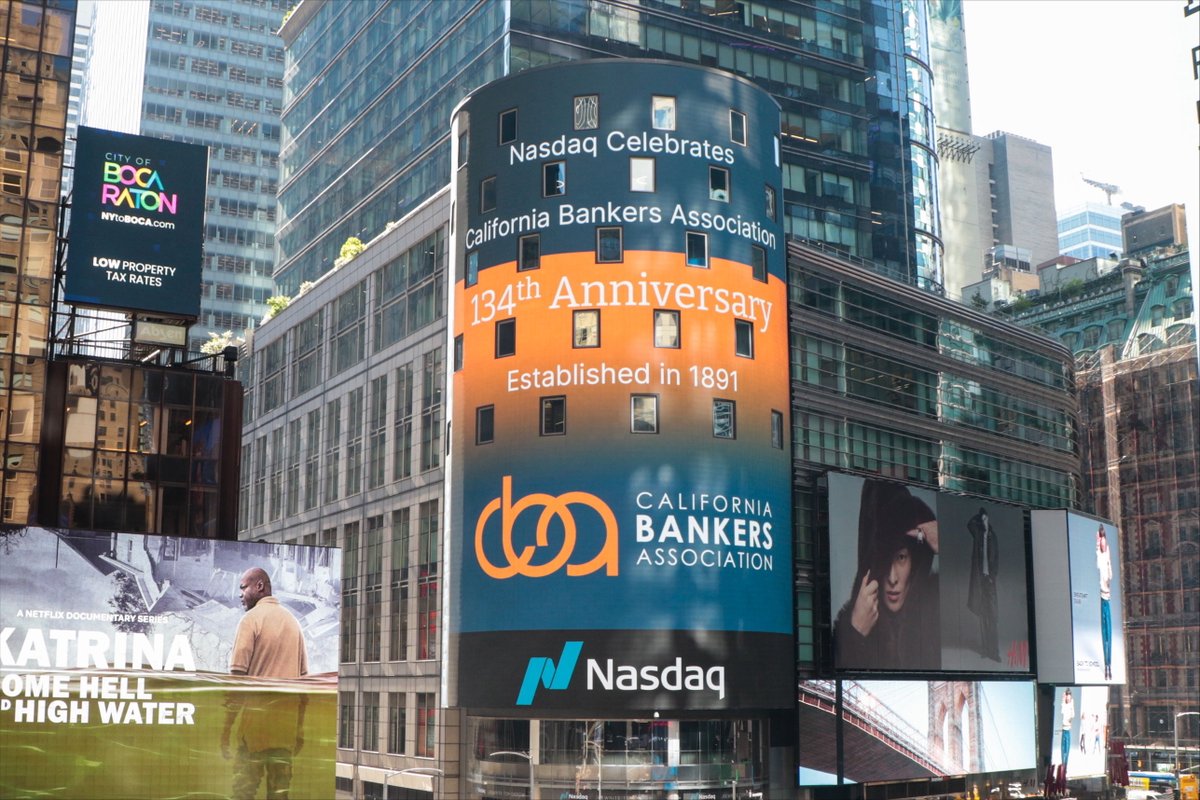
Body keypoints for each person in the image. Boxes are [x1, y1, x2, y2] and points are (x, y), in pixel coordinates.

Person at [221, 567, 310, 800]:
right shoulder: (294, 624)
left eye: (243, 587)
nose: (240, 594)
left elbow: (237, 679)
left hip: (254, 732)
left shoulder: (250, 620)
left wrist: (226, 729)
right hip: (284, 733)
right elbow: (304, 689)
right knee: (279, 796)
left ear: (259, 586)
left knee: (242, 794)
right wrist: (298, 731)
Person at [834, 479, 940, 671]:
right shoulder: (850, 622)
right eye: (884, 560)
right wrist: (855, 633)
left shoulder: (939, 603)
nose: (892, 578)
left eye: (901, 557)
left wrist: (945, 542)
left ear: (915, 562)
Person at [966, 507, 1000, 661]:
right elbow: (969, 524)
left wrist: (993, 577)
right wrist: (979, 515)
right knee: (982, 616)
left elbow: (996, 559)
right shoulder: (978, 535)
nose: (985, 522)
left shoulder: (993, 537)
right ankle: (986, 650)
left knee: (992, 617)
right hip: (980, 581)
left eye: (987, 519)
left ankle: (995, 652)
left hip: (989, 581)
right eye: (983, 519)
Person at [1096, 526, 1114, 680]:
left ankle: (1109, 665)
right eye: (1101, 542)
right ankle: (1106, 666)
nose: (1102, 544)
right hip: (1102, 599)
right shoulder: (1099, 558)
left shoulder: (1106, 561)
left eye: (1104, 543)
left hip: (1106, 599)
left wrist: (1107, 560)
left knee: (1108, 634)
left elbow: (1109, 577)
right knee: (1104, 636)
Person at [1060, 688, 1074, 767]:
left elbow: (1073, 715)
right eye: (1067, 697)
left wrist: (1071, 704)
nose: (1068, 699)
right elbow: (1062, 711)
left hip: (1068, 730)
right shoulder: (1064, 705)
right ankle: (1063, 767)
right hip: (1064, 729)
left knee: (1067, 750)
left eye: (1069, 697)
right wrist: (1063, 700)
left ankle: (1065, 767)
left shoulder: (1071, 705)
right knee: (1063, 750)